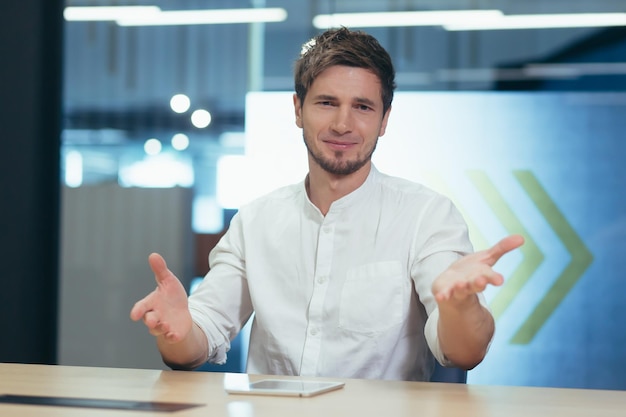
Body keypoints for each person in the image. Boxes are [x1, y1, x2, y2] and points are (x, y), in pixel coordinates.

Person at [130, 27, 524, 381]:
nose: (342, 124)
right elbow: (199, 337)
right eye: (326, 103)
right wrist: (177, 332)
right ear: (298, 110)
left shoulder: (426, 215)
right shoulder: (256, 220)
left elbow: (463, 352)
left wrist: (459, 307)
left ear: (385, 119)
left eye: (363, 107)